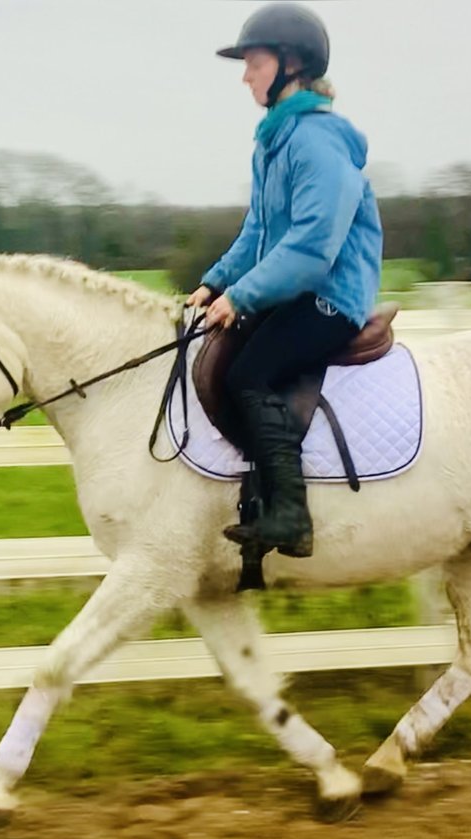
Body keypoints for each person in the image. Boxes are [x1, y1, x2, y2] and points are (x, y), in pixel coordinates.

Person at [189, 2, 383, 559]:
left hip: (329, 297)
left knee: (250, 373)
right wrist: (215, 282)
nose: (246, 75)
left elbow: (311, 247)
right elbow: (258, 233)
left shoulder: (317, 141)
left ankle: (292, 518)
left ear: (291, 63)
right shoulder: (273, 142)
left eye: (254, 63)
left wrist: (242, 296)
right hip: (294, 292)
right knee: (217, 357)